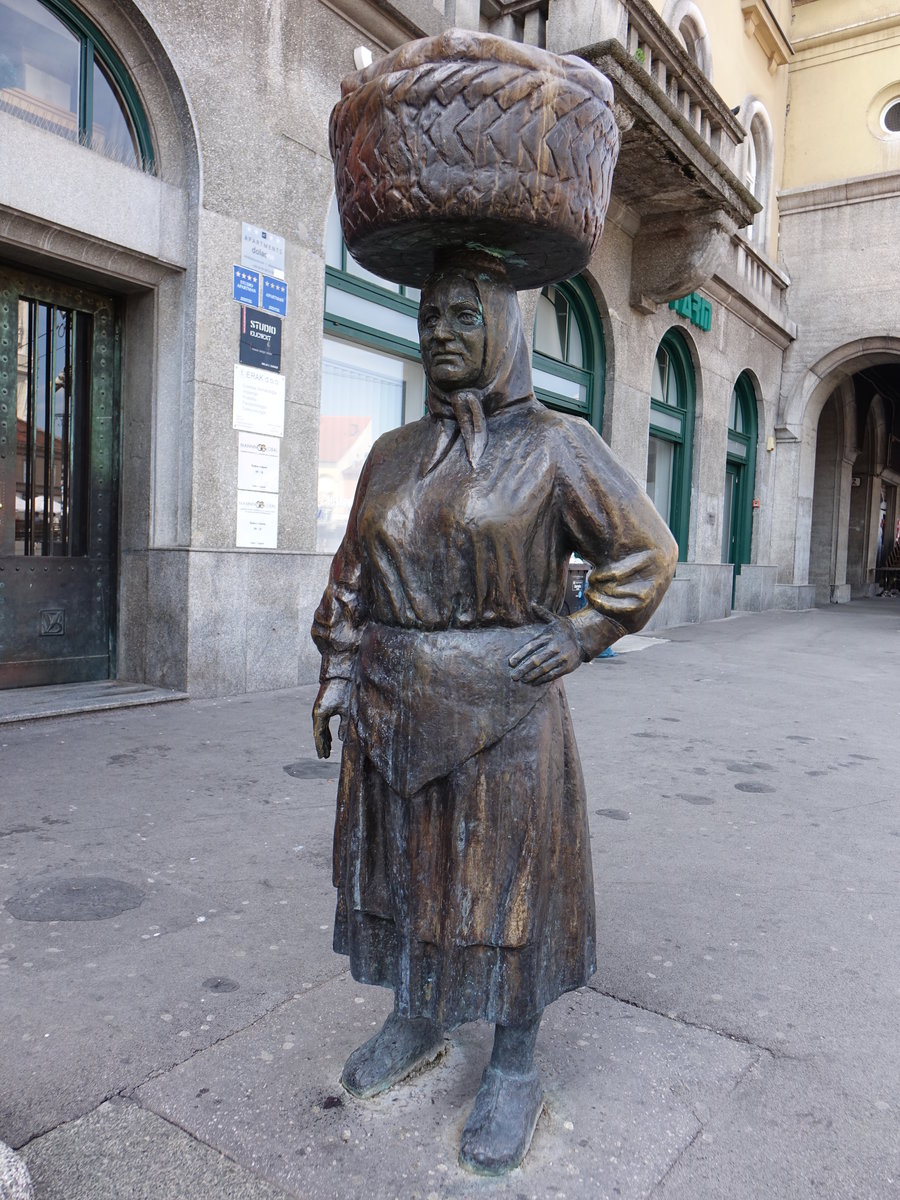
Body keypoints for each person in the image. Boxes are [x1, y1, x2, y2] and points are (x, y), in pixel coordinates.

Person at [311, 256, 677, 1174]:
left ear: (504, 329)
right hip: (393, 704)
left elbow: (647, 554)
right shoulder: (394, 453)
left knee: (510, 889)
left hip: (503, 706)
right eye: (429, 315)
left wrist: (583, 633)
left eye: (462, 317)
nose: (439, 331)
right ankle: (417, 1012)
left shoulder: (558, 443)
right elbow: (351, 576)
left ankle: (514, 1060)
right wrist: (336, 675)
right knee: (405, 871)